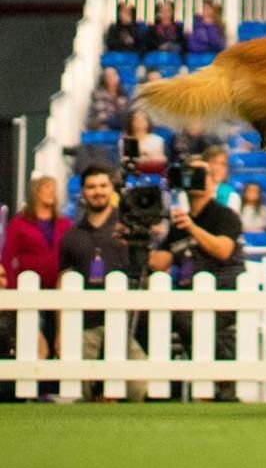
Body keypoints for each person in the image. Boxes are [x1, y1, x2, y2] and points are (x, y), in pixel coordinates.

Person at [149, 158, 244, 401]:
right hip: (188, 296)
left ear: (214, 183)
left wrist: (192, 228)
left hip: (225, 294)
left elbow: (223, 250)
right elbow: (160, 262)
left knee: (188, 318)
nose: (194, 178)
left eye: (201, 174)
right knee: (155, 317)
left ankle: (222, 384)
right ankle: (175, 385)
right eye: (189, 173)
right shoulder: (179, 222)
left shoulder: (224, 216)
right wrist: (138, 238)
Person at [58, 164, 146, 402]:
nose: (98, 191)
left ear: (111, 189)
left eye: (103, 186)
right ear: (83, 192)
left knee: (140, 386)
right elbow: (61, 282)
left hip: (126, 323)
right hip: (85, 325)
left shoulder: (130, 229)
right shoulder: (72, 235)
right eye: (91, 187)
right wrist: (60, 330)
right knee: (79, 390)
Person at [1, 175, 72, 359]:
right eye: (45, 188)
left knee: (59, 341)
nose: (50, 193)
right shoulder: (19, 223)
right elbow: (8, 257)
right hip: (28, 291)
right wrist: (12, 290)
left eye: (52, 188)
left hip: (58, 292)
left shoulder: (65, 224)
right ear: (35, 192)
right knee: (33, 343)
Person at [86, 66, 129, 131]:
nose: (111, 78)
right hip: (104, 129)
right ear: (103, 79)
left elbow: (127, 115)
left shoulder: (124, 95)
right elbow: (103, 118)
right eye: (108, 76)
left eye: (114, 74)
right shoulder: (98, 95)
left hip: (120, 128)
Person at [203, 145, 241, 213]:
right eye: (214, 162)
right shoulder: (191, 191)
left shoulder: (232, 196)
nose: (218, 168)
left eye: (223, 164)